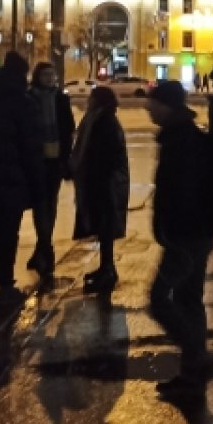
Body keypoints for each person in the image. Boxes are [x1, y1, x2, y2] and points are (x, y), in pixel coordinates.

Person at [146, 81, 213, 398]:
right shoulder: (184, 135)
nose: (148, 108)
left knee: (160, 299)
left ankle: (195, 356)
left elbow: (182, 193)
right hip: (196, 233)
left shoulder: (180, 140)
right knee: (189, 299)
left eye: (153, 103)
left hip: (185, 236)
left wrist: (171, 232)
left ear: (168, 106)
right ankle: (192, 374)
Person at [0, 51, 42, 311]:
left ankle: (2, 278)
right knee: (9, 231)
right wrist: (38, 186)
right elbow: (30, 146)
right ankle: (6, 288)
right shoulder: (23, 103)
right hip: (13, 177)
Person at [71, 86, 130, 295]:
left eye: (92, 98)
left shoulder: (104, 121)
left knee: (105, 226)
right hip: (101, 180)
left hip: (105, 182)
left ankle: (108, 271)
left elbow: (105, 154)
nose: (88, 100)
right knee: (102, 225)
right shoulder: (99, 118)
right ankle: (106, 268)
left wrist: (90, 174)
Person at [27, 62, 76, 278]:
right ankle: (46, 248)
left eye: (52, 74)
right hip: (37, 159)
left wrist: (66, 157)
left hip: (56, 159)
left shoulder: (61, 98)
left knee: (50, 203)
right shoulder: (30, 98)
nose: (49, 78)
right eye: (45, 75)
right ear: (37, 77)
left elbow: (69, 128)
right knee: (40, 204)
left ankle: (42, 247)